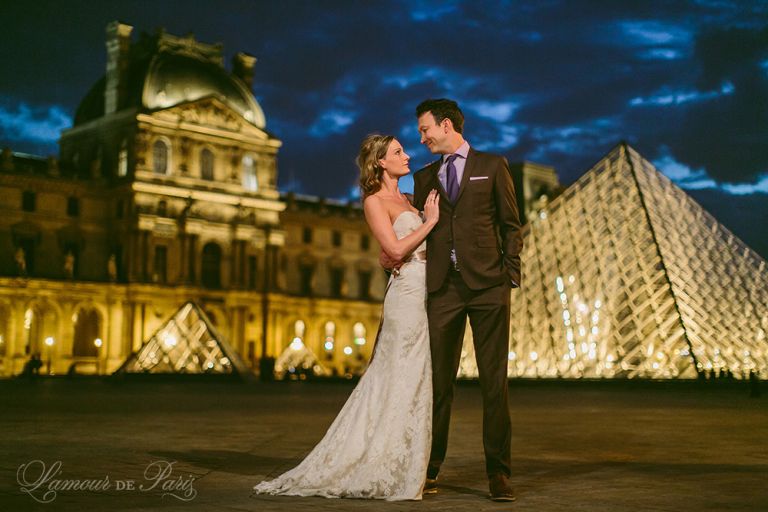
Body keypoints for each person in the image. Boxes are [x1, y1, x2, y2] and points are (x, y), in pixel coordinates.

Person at [253, 135, 440, 500]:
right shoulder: (374, 201)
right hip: (405, 298)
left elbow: (398, 254)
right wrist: (429, 222)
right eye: (399, 152)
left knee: (413, 380)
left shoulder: (409, 199)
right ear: (380, 162)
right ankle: (381, 464)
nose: (408, 155)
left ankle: (401, 461)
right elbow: (396, 248)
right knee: (397, 375)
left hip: (423, 291)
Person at [409, 98, 523, 501]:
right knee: (439, 383)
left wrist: (510, 272)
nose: (421, 138)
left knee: (495, 383)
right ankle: (431, 467)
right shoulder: (424, 179)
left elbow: (511, 224)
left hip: (489, 286)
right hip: (444, 289)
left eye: (424, 130)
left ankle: (499, 473)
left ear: (445, 125)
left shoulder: (493, 166)